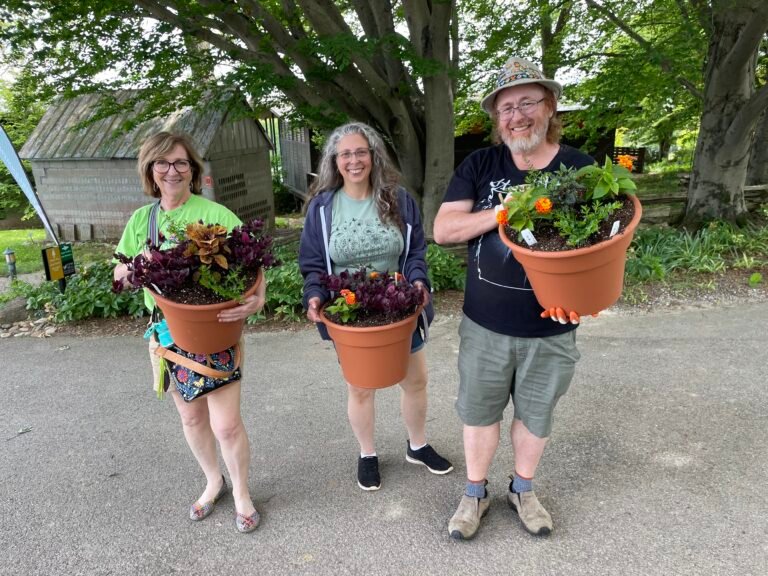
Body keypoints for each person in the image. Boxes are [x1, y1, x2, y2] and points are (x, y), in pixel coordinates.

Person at [433, 57, 595, 539]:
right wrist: (501, 212)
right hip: (485, 324)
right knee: (479, 414)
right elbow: (444, 230)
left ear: (550, 106)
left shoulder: (579, 168)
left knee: (536, 414)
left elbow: (599, 246)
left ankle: (523, 489)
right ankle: (474, 493)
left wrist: (584, 297)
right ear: (496, 118)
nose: (517, 116)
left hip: (552, 325)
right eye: (506, 108)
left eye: (527, 103)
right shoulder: (480, 165)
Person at [113, 132, 264, 533]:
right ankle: (214, 481)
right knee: (192, 418)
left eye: (181, 162)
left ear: (192, 170)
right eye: (162, 163)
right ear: (150, 170)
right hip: (167, 335)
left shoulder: (214, 214)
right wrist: (136, 265)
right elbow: (119, 272)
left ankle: (242, 492)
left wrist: (258, 299)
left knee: (226, 424)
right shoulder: (142, 222)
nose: (172, 171)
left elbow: (254, 264)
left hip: (216, 331)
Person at [299, 122, 453, 491]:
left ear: (373, 156)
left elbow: (415, 252)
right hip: (350, 313)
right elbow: (313, 264)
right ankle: (367, 453)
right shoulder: (322, 208)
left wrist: (419, 281)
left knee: (415, 380)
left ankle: (417, 446)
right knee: (360, 387)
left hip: (398, 307)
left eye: (361, 152)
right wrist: (315, 295)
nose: (354, 160)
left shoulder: (398, 200)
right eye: (346, 154)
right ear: (335, 161)